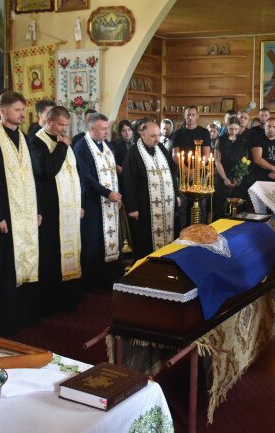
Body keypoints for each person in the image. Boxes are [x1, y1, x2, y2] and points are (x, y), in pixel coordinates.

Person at [0, 91, 42, 335]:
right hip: (5, 215)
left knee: (28, 263)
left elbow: (31, 177)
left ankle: (26, 315)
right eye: (17, 110)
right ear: (3, 111)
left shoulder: (22, 136)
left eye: (22, 110)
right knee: (6, 268)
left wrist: (37, 209)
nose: (22, 114)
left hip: (26, 213)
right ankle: (6, 320)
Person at [28, 106, 83, 314]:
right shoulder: (36, 142)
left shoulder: (63, 141)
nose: (63, 129)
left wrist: (80, 204)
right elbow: (47, 170)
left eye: (66, 125)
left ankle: (68, 297)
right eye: (60, 124)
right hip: (50, 209)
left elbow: (74, 175)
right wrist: (62, 147)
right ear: (49, 122)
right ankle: (51, 302)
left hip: (69, 209)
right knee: (51, 255)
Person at [74, 114, 123, 291]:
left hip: (110, 202)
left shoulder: (106, 145)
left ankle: (110, 279)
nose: (106, 132)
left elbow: (112, 173)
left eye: (107, 128)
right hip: (92, 202)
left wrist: (116, 195)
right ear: (92, 128)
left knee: (109, 241)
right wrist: (107, 193)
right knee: (93, 242)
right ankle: (93, 283)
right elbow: (86, 177)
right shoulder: (81, 147)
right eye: (103, 129)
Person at [123, 121, 181, 259]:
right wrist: (132, 207)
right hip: (145, 207)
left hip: (166, 205)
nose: (157, 139)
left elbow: (171, 173)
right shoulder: (133, 153)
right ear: (142, 134)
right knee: (146, 241)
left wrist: (176, 194)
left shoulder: (161, 148)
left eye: (158, 135)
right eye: (153, 136)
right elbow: (128, 181)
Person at [214, 117, 251, 217]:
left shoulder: (243, 141)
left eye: (236, 129)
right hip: (223, 176)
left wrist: (238, 178)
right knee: (220, 207)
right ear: (227, 127)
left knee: (238, 210)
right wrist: (225, 178)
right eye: (231, 129)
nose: (233, 131)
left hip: (238, 179)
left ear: (239, 128)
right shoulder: (220, 140)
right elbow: (217, 160)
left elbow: (245, 162)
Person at [251, 118, 275, 183]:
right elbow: (257, 159)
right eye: (268, 126)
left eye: (274, 127)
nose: (271, 129)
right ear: (265, 126)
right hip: (262, 177)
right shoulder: (257, 139)